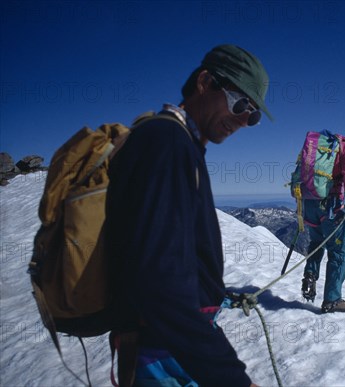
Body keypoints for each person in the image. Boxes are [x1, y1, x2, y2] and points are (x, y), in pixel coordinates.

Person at [105, 44, 272, 387]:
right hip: (163, 351)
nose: (244, 120)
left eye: (253, 114)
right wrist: (232, 379)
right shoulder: (166, 143)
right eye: (241, 103)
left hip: (170, 343)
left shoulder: (180, 143)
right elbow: (159, 283)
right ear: (205, 81)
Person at [301, 132, 345, 313]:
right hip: (330, 206)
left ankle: (309, 276)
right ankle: (332, 299)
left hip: (309, 202)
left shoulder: (328, 147)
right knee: (339, 252)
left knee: (316, 243)